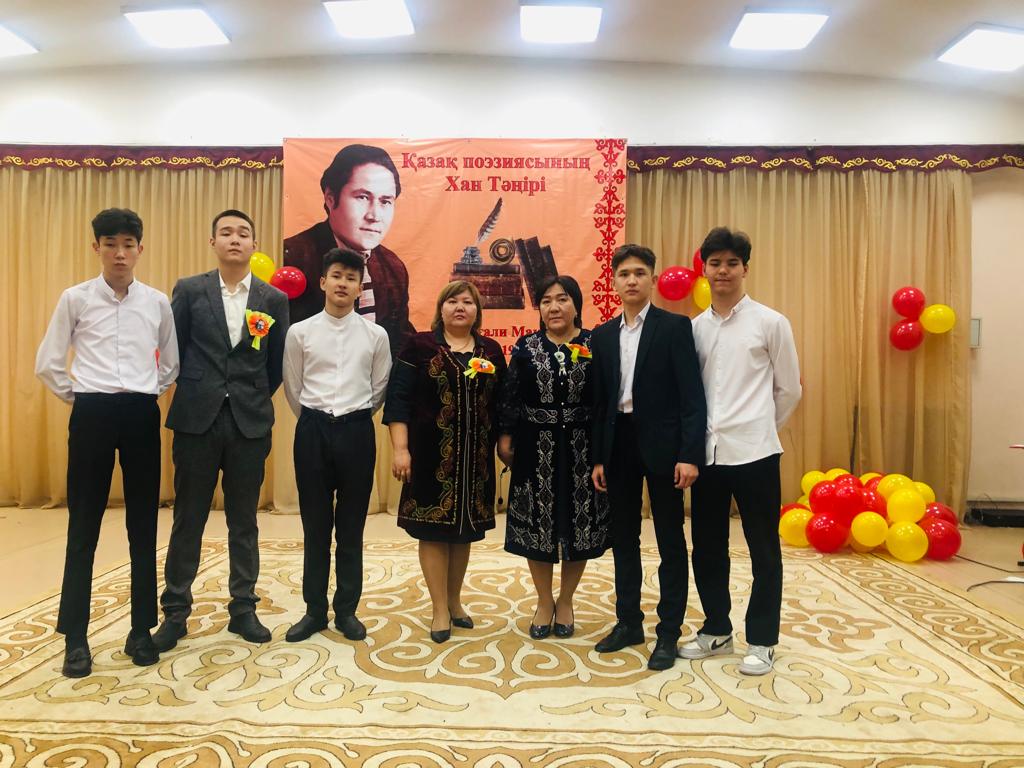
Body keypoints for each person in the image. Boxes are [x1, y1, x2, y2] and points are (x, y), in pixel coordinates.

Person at [35, 208, 179, 677]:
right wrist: (81, 397)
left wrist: (145, 392)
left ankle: (140, 631)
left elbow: (171, 363)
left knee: (143, 525)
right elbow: (48, 362)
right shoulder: (75, 298)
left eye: (128, 245)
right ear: (96, 247)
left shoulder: (156, 302)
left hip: (140, 414)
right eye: (111, 244)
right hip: (92, 413)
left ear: (140, 249)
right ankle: (75, 638)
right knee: (84, 525)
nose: (120, 253)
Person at [153, 209, 290, 651]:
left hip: (249, 422)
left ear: (254, 245)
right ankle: (175, 612)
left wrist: (247, 394)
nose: (235, 239)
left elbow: (275, 365)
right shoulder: (190, 290)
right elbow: (173, 349)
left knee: (243, 519)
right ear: (213, 242)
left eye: (243, 233)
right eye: (226, 232)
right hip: (197, 419)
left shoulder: (272, 299)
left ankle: (243, 608)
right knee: (188, 517)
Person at [683, 227, 802, 676]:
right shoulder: (695, 328)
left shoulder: (771, 322)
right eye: (715, 263)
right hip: (708, 455)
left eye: (732, 263)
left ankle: (763, 640)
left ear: (745, 269)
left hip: (756, 454)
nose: (723, 271)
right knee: (707, 548)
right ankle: (716, 628)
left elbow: (789, 389)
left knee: (763, 550)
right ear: (705, 270)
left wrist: (761, 428)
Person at [590, 244, 707, 671]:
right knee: (623, 539)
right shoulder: (603, 335)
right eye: (624, 274)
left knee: (670, 541)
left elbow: (692, 396)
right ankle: (628, 623)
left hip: (664, 447)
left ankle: (668, 632)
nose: (632, 280)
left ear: (653, 280)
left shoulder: (674, 327)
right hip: (618, 445)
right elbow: (600, 402)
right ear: (614, 282)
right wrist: (598, 458)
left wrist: (689, 454)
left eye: (640, 273)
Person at [383, 281, 506, 643]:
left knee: (464, 531)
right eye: (453, 300)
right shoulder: (419, 345)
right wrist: (400, 449)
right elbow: (398, 400)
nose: (460, 306)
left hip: (475, 462)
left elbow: (502, 403)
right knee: (433, 532)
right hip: (429, 457)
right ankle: (439, 608)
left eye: (468, 301)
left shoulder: (490, 350)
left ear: (477, 311)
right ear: (441, 308)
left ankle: (454, 601)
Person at [282, 247, 391, 643]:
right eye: (337, 276)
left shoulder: (376, 336)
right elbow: (293, 387)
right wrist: (317, 418)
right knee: (315, 527)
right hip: (312, 431)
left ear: (360, 288)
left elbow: (379, 389)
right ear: (323, 281)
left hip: (357, 431)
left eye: (351, 278)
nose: (343, 283)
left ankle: (346, 610)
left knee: (350, 527)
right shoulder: (300, 332)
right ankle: (314, 610)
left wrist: (351, 417)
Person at [497, 275, 609, 639]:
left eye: (562, 299)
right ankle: (544, 601)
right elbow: (511, 397)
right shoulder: (526, 346)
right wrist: (505, 438)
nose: (554, 307)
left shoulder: (594, 344)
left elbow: (604, 400)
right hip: (535, 447)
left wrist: (603, 452)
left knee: (579, 526)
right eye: (546, 301)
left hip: (582, 448)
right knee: (537, 527)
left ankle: (566, 600)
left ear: (576, 305)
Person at [284, 143, 414, 357]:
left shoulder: (394, 267)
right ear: (330, 198)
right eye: (363, 197)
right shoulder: (293, 257)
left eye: (385, 201)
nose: (374, 215)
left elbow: (400, 340)